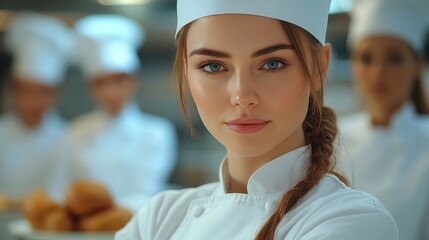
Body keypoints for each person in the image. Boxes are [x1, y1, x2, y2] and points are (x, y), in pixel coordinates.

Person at [116, 0, 399, 239]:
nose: (242, 95)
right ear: (187, 73)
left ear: (319, 68)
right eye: (213, 66)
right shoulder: (158, 219)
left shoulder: (353, 221)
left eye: (272, 64)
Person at [50, 14, 178, 211]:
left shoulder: (156, 133)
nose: (110, 92)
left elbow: (146, 194)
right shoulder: (74, 132)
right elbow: (58, 192)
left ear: (134, 80)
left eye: (118, 80)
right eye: (100, 83)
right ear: (90, 87)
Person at [339, 0, 429, 239]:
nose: (378, 72)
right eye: (366, 58)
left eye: (394, 58)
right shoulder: (333, 138)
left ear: (419, 65)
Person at [0, 12, 71, 199]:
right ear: (13, 91)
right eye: (27, 91)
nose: (35, 102)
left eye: (44, 93)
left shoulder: (70, 138)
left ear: (57, 94)